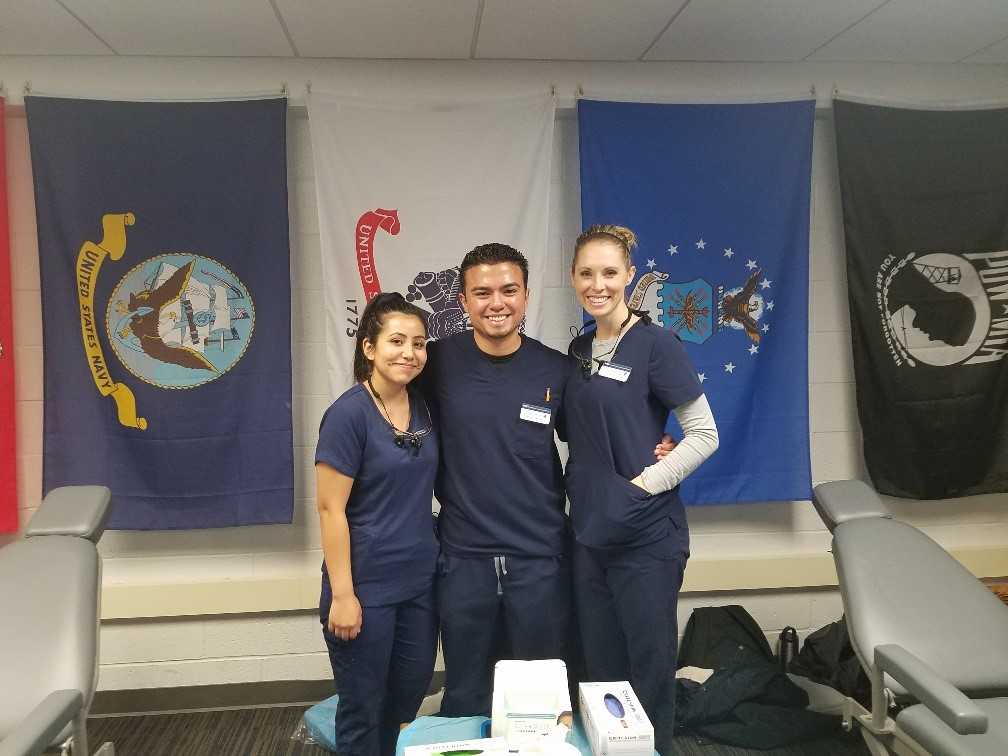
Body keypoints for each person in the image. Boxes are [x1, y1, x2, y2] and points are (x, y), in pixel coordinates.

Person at [563, 225, 719, 754]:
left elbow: (704, 435)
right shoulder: (579, 348)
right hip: (589, 536)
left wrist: (643, 485)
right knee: (600, 671)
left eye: (609, 273)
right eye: (587, 273)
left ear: (630, 276)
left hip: (645, 538)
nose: (597, 284)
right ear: (573, 278)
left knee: (647, 673)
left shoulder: (658, 345)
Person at [420, 243, 573, 717]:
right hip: (465, 555)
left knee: (538, 693)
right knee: (466, 691)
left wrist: (659, 444)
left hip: (539, 555)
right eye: (481, 292)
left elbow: (597, 441)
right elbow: (384, 408)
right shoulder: (435, 363)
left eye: (509, 290)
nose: (497, 303)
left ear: (526, 296)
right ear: (463, 301)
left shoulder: (557, 368)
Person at [315, 292, 439, 756]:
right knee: (362, 709)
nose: (409, 352)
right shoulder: (348, 415)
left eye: (419, 343)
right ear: (369, 348)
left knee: (406, 698)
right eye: (397, 341)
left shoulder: (424, 408)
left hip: (419, 584)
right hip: (364, 587)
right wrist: (344, 595)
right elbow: (330, 510)